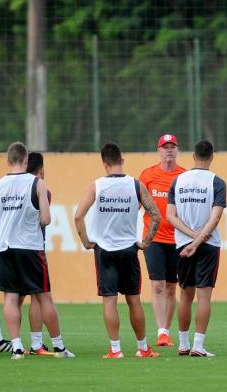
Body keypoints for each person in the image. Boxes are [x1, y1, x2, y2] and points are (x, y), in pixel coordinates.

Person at [74, 143, 161, 359]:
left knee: (109, 299)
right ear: (122, 161)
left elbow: (78, 216)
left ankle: (115, 350)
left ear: (104, 164)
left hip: (104, 250)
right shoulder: (136, 185)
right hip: (129, 249)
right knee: (134, 299)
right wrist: (146, 241)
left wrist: (86, 241)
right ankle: (143, 348)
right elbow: (156, 215)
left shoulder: (96, 186)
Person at [0, 142, 74, 360]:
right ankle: (58, 347)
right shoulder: (37, 183)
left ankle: (18, 347)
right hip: (30, 247)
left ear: (8, 161)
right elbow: (46, 219)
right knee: (44, 297)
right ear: (26, 160)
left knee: (10, 297)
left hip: (5, 247)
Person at [166, 140, 226, 357]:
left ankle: (183, 344)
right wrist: (199, 239)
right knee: (203, 297)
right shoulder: (217, 182)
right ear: (211, 157)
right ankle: (198, 346)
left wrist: (191, 238)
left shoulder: (178, 181)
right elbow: (216, 216)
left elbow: (170, 216)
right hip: (208, 244)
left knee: (185, 295)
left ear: (193, 156)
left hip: (182, 244)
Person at [139, 134, 186, 346]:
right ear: (159, 150)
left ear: (177, 150)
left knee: (171, 287)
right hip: (154, 238)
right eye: (165, 147)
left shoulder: (184, 176)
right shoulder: (148, 175)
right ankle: (161, 332)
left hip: (177, 239)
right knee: (157, 284)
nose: (169, 150)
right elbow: (136, 205)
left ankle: (166, 329)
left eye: (172, 146)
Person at [16, 152, 53, 356]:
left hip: (10, 249)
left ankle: (14, 343)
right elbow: (43, 219)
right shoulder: (42, 189)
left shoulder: (9, 186)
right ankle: (37, 344)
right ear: (41, 170)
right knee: (37, 297)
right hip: (32, 248)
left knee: (15, 298)